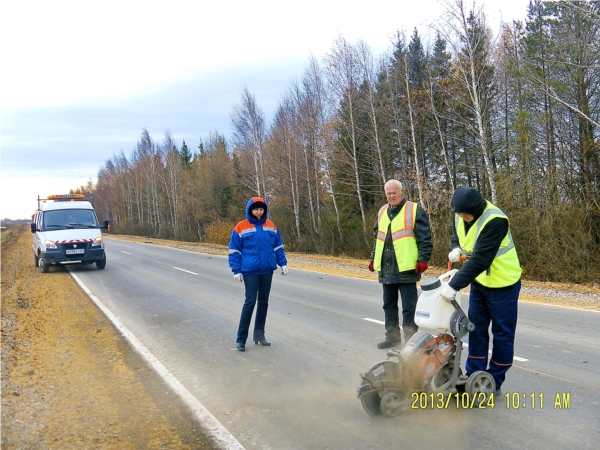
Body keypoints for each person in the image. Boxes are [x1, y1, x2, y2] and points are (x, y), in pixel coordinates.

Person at [440, 186, 522, 395]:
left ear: (475, 210)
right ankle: (474, 375)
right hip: (480, 283)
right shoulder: (460, 214)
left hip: (504, 283)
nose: (462, 218)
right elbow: (457, 234)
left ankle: (493, 380)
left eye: (465, 215)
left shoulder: (495, 220)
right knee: (475, 329)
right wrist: (456, 247)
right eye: (459, 214)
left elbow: (481, 259)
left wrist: (454, 284)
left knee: (502, 334)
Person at [369, 179, 432, 349]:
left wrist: (423, 259)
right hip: (386, 268)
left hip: (407, 268)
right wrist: (372, 259)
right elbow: (377, 239)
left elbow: (425, 238)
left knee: (409, 308)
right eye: (388, 193)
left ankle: (411, 342)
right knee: (388, 305)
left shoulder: (413, 209)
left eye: (394, 192)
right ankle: (393, 338)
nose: (391, 196)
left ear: (401, 192)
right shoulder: (382, 211)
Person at [228, 197, 288, 352]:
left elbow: (278, 247)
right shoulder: (241, 227)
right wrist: (236, 270)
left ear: (265, 210)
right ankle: (241, 339)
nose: (259, 212)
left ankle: (259, 335)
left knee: (263, 302)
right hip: (250, 271)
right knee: (250, 302)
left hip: (267, 269)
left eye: (261, 209)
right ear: (250, 210)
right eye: (256, 209)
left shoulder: (271, 226)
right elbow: (234, 251)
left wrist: (283, 263)